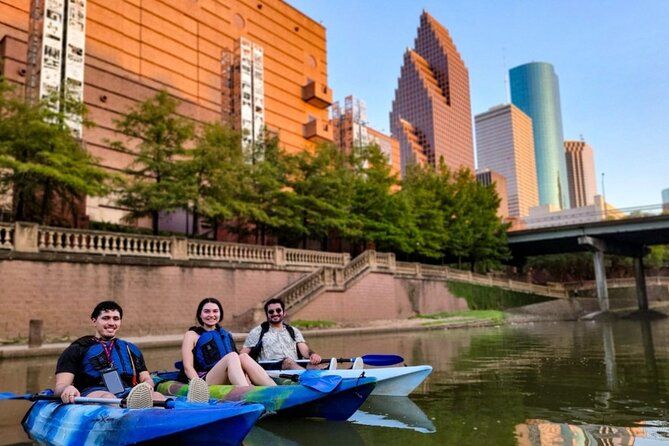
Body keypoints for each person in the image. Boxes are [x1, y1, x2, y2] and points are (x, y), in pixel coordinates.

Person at [54, 301, 175, 408]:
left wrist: (148, 384)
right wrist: (67, 388)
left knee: (157, 396)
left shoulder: (131, 349)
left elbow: (145, 378)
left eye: (115, 319)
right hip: (94, 393)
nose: (111, 322)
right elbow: (61, 385)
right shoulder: (77, 349)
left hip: (128, 392)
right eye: (106, 318)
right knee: (108, 398)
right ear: (94, 320)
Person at [180, 297, 276, 386]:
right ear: (200, 314)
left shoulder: (225, 334)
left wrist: (247, 378)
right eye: (206, 311)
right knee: (233, 356)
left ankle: (274, 387)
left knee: (243, 356)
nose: (211, 315)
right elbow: (188, 368)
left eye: (215, 311)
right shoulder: (191, 335)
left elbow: (238, 364)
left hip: (228, 375)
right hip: (206, 380)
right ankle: (246, 392)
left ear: (220, 314)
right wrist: (199, 386)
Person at [241, 298, 329, 370]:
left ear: (284, 312)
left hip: (296, 366)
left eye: (278, 310)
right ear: (267, 315)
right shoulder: (257, 332)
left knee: (314, 364)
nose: (275, 313)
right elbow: (243, 355)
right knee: (288, 362)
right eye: (271, 312)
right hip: (270, 369)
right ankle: (311, 379)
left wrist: (313, 355)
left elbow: (305, 351)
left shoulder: (294, 331)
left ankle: (325, 377)